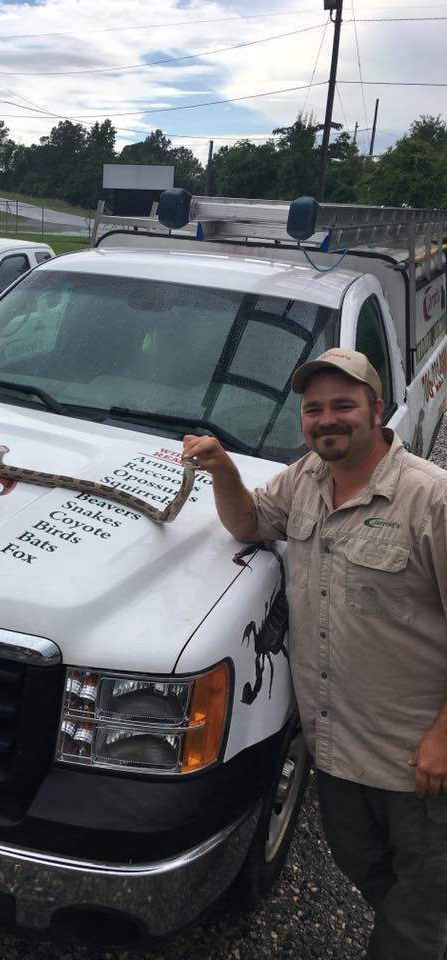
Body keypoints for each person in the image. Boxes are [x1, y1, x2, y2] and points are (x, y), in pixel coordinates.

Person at [183, 348, 447, 960]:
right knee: (369, 872)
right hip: (336, 750)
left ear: (377, 411)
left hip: (419, 762)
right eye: (314, 409)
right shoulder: (304, 478)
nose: (327, 419)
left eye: (343, 406)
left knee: (417, 914)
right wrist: (223, 468)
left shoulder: (429, 499)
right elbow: (250, 523)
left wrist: (443, 733)